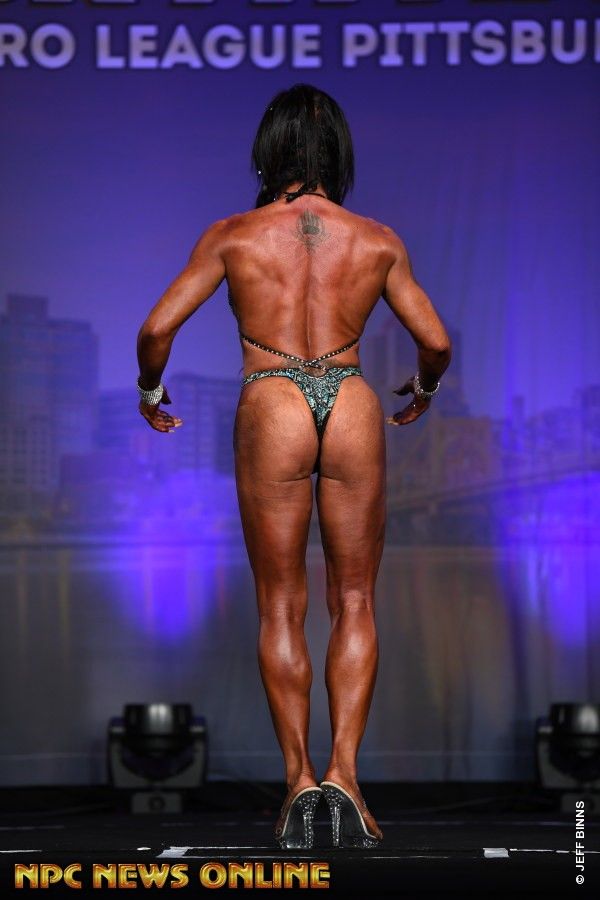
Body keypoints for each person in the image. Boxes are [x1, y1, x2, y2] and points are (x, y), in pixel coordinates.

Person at [136, 84, 451, 849]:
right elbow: (436, 342)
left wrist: (150, 388)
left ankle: (298, 785)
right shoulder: (376, 240)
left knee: (281, 606)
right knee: (355, 600)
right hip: (350, 402)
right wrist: (426, 387)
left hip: (271, 397)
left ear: (267, 151)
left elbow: (156, 329)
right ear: (338, 153)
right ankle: (345, 776)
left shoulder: (232, 235)